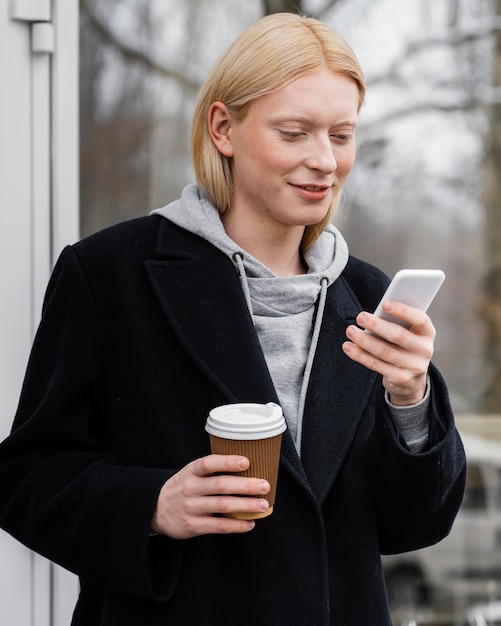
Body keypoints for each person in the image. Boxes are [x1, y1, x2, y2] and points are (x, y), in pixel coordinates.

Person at [0, 12, 466, 626]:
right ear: (223, 128)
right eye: (294, 132)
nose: (325, 160)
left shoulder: (370, 296)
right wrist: (153, 505)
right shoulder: (111, 273)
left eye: (342, 134)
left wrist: (410, 400)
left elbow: (415, 522)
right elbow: (27, 478)